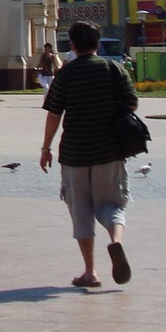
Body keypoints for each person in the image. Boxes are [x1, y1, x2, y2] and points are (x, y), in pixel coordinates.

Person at [40, 21, 139, 289]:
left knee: (81, 212)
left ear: (71, 45)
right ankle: (116, 242)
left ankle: (90, 272)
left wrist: (46, 148)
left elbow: (54, 114)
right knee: (112, 205)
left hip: (75, 153)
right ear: (97, 43)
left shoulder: (66, 74)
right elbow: (132, 103)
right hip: (109, 150)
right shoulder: (113, 69)